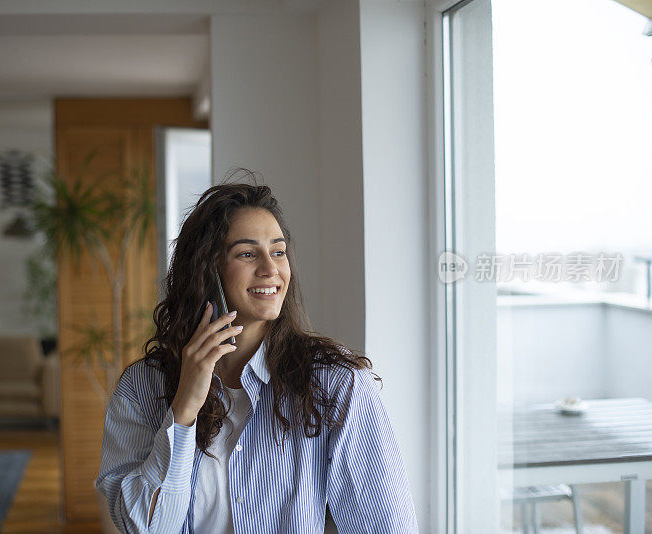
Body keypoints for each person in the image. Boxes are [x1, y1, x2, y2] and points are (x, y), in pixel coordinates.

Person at [96, 171, 418, 533]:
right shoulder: (141, 387)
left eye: (278, 252)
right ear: (207, 270)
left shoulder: (338, 386)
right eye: (247, 253)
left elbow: (384, 525)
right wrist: (184, 409)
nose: (271, 269)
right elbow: (142, 527)